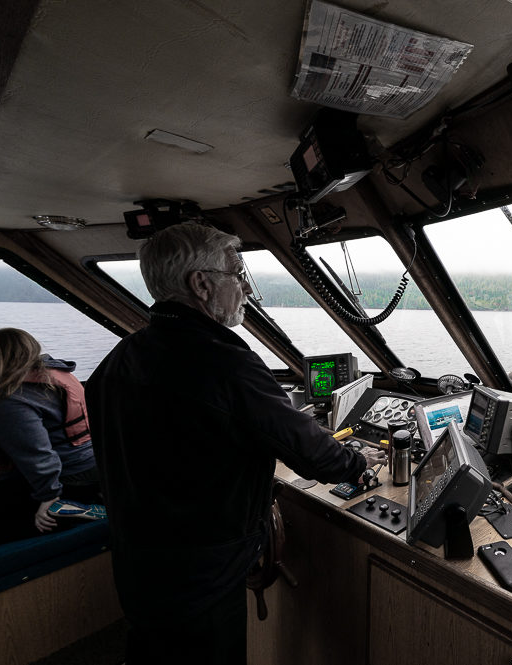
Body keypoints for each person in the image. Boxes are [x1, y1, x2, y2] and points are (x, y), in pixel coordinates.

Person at [86, 222, 385, 665]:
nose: (245, 286)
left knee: (151, 648)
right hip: (202, 568)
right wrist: (358, 462)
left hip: (138, 558)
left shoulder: (121, 357)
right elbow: (312, 455)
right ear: (201, 285)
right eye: (236, 272)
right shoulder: (223, 360)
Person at [0, 328, 102, 551]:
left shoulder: (9, 400)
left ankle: (68, 511)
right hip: (93, 466)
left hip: (67, 478)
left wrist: (49, 496)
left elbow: (37, 454)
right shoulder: (55, 374)